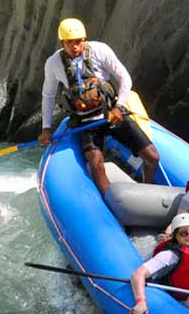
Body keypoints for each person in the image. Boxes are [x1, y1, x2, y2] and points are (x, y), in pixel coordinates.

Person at [38, 18, 160, 194]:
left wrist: (119, 106)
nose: (75, 47)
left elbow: (125, 78)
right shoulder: (53, 63)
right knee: (96, 163)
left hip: (112, 114)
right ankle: (112, 202)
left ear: (84, 39)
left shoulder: (100, 50)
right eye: (70, 42)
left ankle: (146, 190)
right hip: (85, 122)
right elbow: (48, 95)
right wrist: (46, 128)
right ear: (62, 42)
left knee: (152, 157)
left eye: (79, 41)